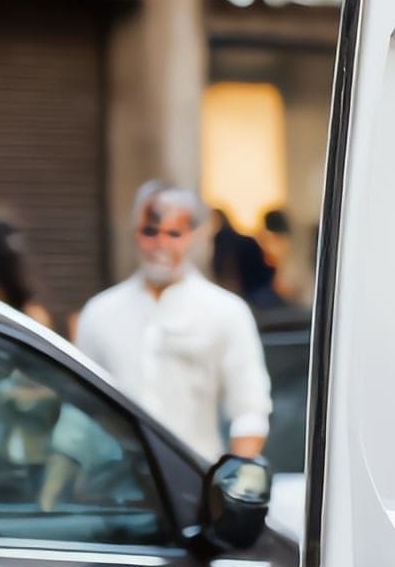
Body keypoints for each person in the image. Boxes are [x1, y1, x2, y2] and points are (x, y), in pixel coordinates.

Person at [73, 183, 272, 463]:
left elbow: (250, 411)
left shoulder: (227, 312)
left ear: (194, 236)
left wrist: (234, 487)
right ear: (135, 232)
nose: (160, 245)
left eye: (174, 233)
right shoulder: (99, 312)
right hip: (114, 485)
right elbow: (79, 416)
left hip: (195, 482)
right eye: (150, 232)